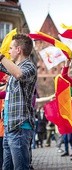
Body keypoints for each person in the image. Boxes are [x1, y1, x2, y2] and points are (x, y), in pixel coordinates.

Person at [0, 34, 37, 170]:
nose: (8, 51)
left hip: (20, 127)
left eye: (10, 48)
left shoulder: (29, 67)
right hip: (9, 127)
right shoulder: (13, 68)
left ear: (19, 49)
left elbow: (19, 74)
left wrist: (1, 56)